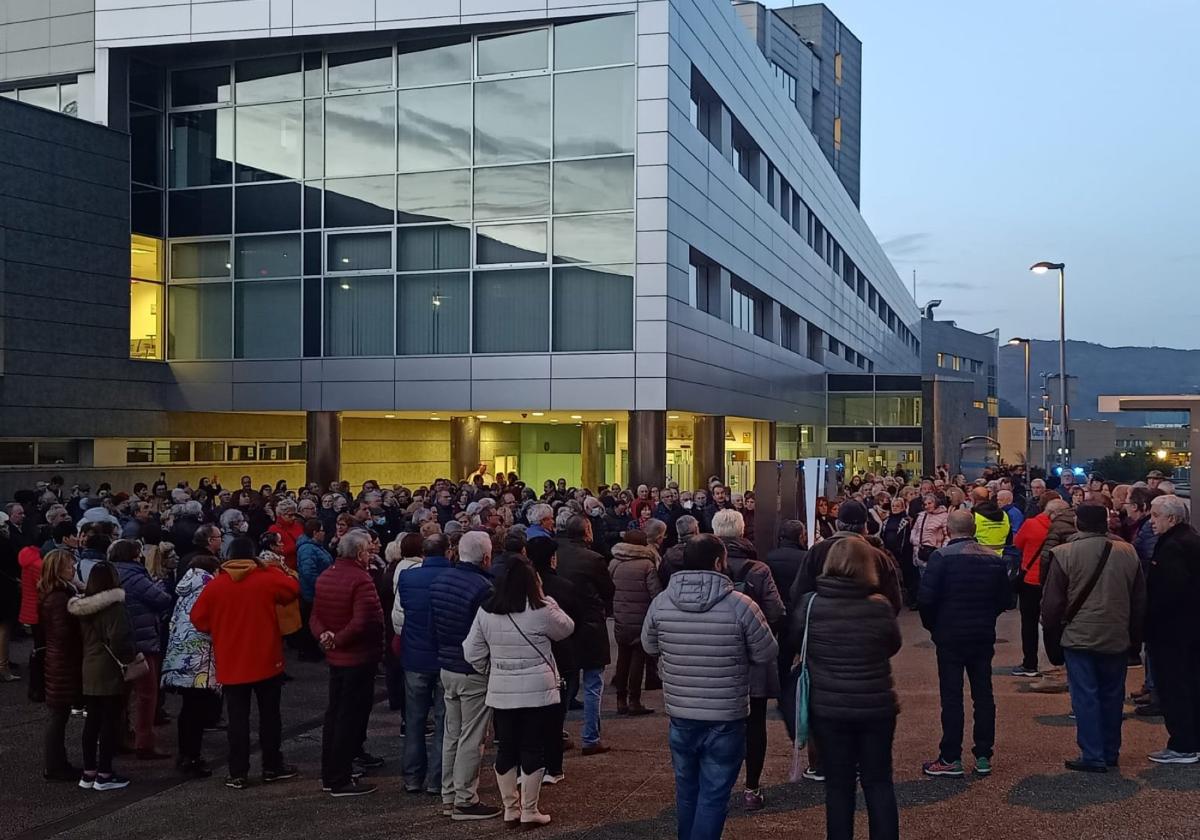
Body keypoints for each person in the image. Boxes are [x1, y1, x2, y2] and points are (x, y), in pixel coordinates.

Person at [642, 534, 777, 840]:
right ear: (719, 563)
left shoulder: (661, 602)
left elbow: (649, 645)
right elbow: (767, 652)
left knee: (687, 790)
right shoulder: (741, 605)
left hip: (681, 710)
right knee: (714, 795)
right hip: (726, 713)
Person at [793, 537, 902, 840]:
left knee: (838, 788)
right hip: (876, 704)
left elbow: (797, 641)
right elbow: (892, 645)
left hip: (829, 706)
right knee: (879, 782)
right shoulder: (880, 607)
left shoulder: (810, 605)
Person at [463, 560, 575, 829]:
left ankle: (510, 808)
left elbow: (471, 652)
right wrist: (549, 599)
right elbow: (567, 628)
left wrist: (492, 670)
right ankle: (529, 809)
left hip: (502, 689)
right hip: (538, 690)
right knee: (533, 747)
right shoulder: (541, 608)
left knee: (507, 748)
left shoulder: (487, 611)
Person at [190, 536, 301, 790]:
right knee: (270, 716)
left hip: (231, 660)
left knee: (237, 720)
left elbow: (198, 619)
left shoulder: (216, 585)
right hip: (266, 657)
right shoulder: (266, 578)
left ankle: (237, 772)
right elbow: (293, 589)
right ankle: (272, 766)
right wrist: (273, 567)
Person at [1041, 504, 1145, 772]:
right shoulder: (1128, 552)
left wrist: (1052, 636)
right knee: (1113, 695)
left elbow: (1052, 604)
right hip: (1116, 633)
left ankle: (1092, 753)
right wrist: (1135, 638)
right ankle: (1111, 751)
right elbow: (1138, 599)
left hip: (1079, 635)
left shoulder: (1064, 553)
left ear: (1078, 523)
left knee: (1085, 696)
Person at [918, 511, 1009, 777]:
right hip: (981, 632)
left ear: (948, 529)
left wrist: (933, 626)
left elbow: (926, 599)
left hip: (950, 633)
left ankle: (950, 756)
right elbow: (1005, 599)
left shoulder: (941, 558)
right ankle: (983, 754)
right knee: (983, 694)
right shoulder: (993, 558)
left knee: (952, 695)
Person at [711, 508, 784, 809]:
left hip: (714, 657)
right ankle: (752, 788)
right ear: (742, 531)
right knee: (755, 725)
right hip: (753, 658)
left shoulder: (701, 567)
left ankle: (716, 787)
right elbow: (776, 611)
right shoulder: (758, 569)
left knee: (716, 725)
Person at [428, 530, 501, 820]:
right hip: (472, 669)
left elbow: (432, 626)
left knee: (452, 734)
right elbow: (484, 635)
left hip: (447, 666)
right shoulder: (484, 587)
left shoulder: (440, 580)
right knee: (473, 737)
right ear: (486, 557)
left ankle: (449, 795)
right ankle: (465, 799)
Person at [310, 529, 385, 797]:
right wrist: (338, 639)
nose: (370, 555)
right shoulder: (361, 580)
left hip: (337, 656)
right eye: (367, 551)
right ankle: (339, 776)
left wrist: (326, 637)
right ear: (359, 553)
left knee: (335, 714)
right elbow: (365, 620)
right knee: (348, 717)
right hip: (357, 656)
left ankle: (330, 772)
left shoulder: (326, 575)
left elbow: (316, 614)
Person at [1143, 494, 1200, 764]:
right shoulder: (1188, 539)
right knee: (1189, 684)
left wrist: (1150, 620)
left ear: (1172, 518)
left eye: (1155, 515)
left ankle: (1182, 744)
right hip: (1188, 630)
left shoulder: (1173, 546)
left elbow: (1168, 592)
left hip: (1173, 633)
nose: (1151, 521)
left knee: (1174, 687)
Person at [68, 561, 134, 790]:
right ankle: (105, 773)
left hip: (89, 665)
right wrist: (129, 657)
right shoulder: (114, 607)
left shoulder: (81, 607)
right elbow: (120, 638)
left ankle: (88, 773)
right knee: (110, 721)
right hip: (110, 667)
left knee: (92, 720)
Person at [397, 533, 453, 794]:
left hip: (415, 657)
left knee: (415, 719)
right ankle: (436, 778)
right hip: (444, 658)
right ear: (448, 551)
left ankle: (412, 777)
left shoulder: (408, 578)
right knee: (444, 721)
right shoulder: (453, 578)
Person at [554, 515, 614, 755]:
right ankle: (591, 737)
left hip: (562, 623)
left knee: (562, 684)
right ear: (587, 532)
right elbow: (608, 590)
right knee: (592, 685)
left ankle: (556, 733)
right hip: (589, 625)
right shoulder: (594, 559)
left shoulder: (557, 554)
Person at [160, 550, 221, 779]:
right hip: (199, 658)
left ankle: (185, 754)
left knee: (188, 710)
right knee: (197, 711)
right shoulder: (209, 589)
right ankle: (192, 757)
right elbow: (208, 622)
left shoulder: (185, 589)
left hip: (180, 655)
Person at [109, 538, 172, 761]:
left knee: (120, 695)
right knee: (147, 695)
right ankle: (144, 741)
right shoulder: (136, 577)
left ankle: (118, 736)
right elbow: (162, 599)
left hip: (117, 643)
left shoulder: (109, 574)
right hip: (142, 641)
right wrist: (159, 584)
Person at [525, 536, 581, 783]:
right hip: (560, 655)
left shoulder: (518, 587)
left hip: (533, 657)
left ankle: (533, 763)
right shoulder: (564, 587)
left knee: (531, 716)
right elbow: (573, 624)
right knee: (556, 715)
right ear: (552, 558)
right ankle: (553, 766)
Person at [39, 549, 82, 781]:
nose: (73, 568)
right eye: (68, 566)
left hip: (59, 660)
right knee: (58, 714)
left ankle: (57, 761)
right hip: (62, 662)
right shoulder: (58, 597)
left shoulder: (58, 593)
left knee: (59, 713)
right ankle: (54, 764)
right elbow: (64, 633)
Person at [609, 530, 662, 716]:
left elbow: (608, 588)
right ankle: (634, 700)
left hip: (621, 618)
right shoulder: (647, 565)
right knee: (638, 660)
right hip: (641, 619)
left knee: (622, 658)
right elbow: (655, 593)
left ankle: (620, 699)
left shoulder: (614, 562)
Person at [1011, 495, 1052, 678]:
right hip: (1054, 580)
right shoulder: (1067, 527)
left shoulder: (1031, 524)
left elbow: (1017, 543)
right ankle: (1055, 662)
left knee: (1029, 623)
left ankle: (1030, 663)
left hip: (1031, 579)